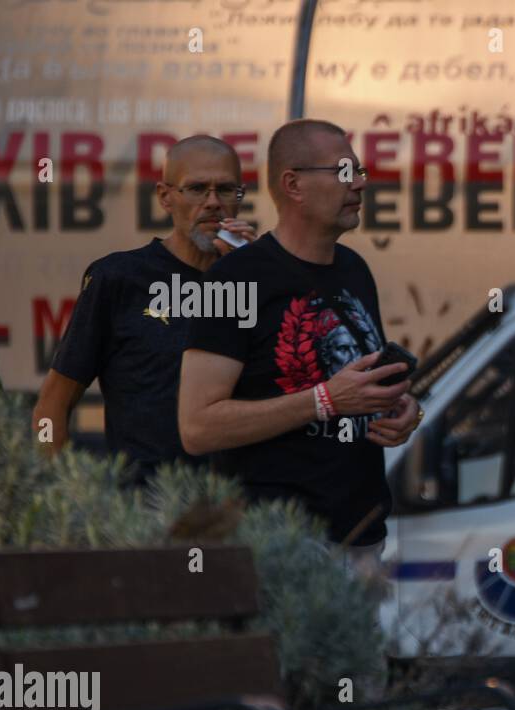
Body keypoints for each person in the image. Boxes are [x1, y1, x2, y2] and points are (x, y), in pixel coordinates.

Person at [179, 119, 420, 562]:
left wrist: (396, 409)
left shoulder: (354, 268)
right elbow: (197, 427)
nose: (361, 183)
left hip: (363, 538)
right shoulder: (234, 279)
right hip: (280, 545)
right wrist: (324, 401)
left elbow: (352, 386)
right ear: (294, 185)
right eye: (344, 172)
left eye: (359, 170)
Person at [32, 136, 257, 480]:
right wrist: (62, 498)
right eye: (197, 189)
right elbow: (52, 406)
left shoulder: (259, 279)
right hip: (147, 514)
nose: (213, 202)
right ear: (165, 196)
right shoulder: (118, 278)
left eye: (226, 190)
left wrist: (254, 273)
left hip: (246, 511)